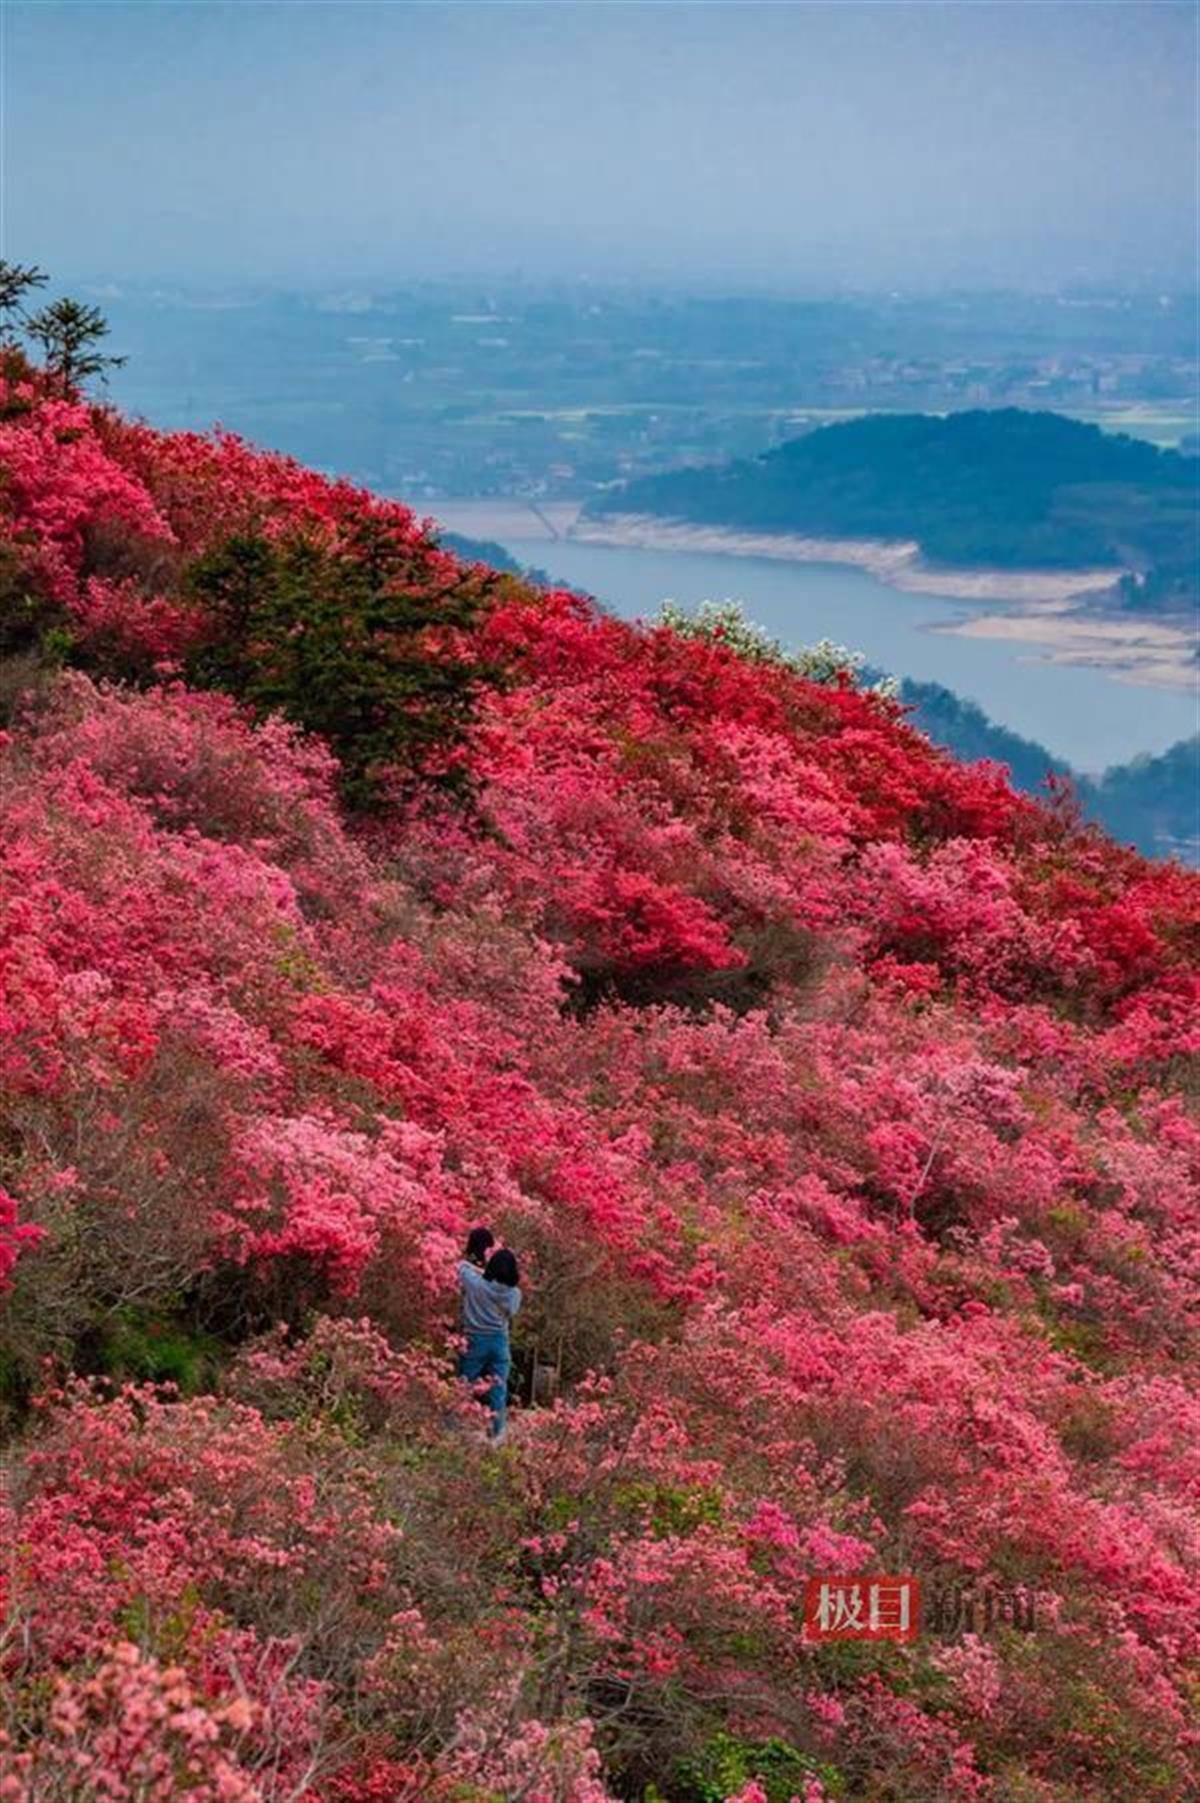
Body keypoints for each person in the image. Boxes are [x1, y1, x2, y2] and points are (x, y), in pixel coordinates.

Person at [457, 1242, 521, 1442]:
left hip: (474, 1339)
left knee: (464, 1385)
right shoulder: (514, 1294)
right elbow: (512, 1313)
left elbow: (460, 1266)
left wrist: (481, 1270)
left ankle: (455, 1427)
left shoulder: (476, 1284)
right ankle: (497, 1432)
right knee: (499, 1389)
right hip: (499, 1342)